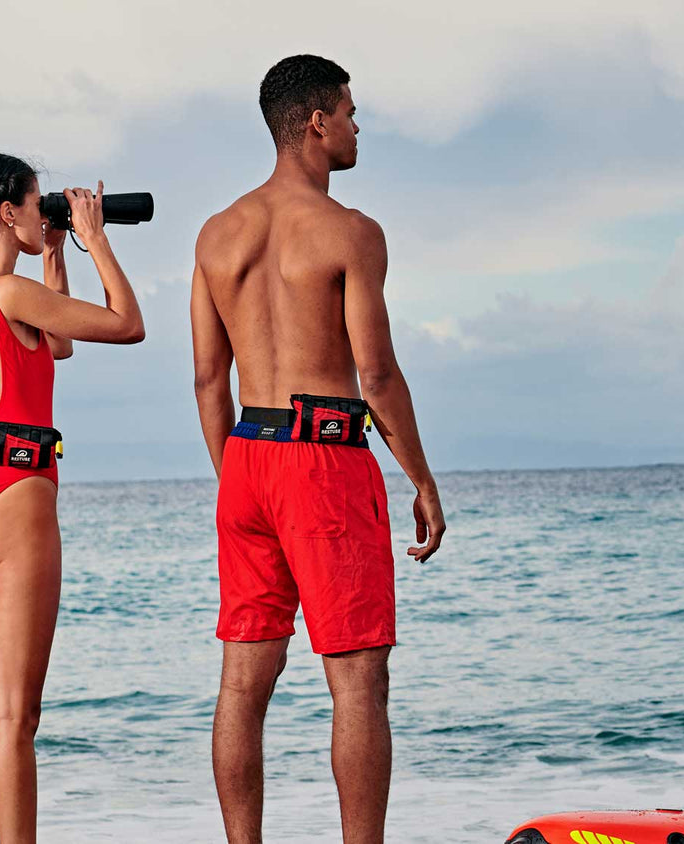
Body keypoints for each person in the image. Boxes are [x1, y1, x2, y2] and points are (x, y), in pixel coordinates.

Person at [191, 55, 446, 844]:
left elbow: (207, 379)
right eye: (350, 111)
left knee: (242, 683)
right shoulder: (349, 232)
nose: (357, 125)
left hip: (246, 459)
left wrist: (237, 477)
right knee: (360, 681)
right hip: (324, 459)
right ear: (315, 123)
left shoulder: (216, 233)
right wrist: (423, 480)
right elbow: (376, 372)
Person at [0, 153, 145, 844]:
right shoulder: (9, 294)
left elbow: (58, 345)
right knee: (14, 717)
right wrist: (95, 234)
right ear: (7, 211)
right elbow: (127, 323)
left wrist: (54, 252)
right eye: (40, 202)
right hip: (15, 493)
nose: (51, 213)